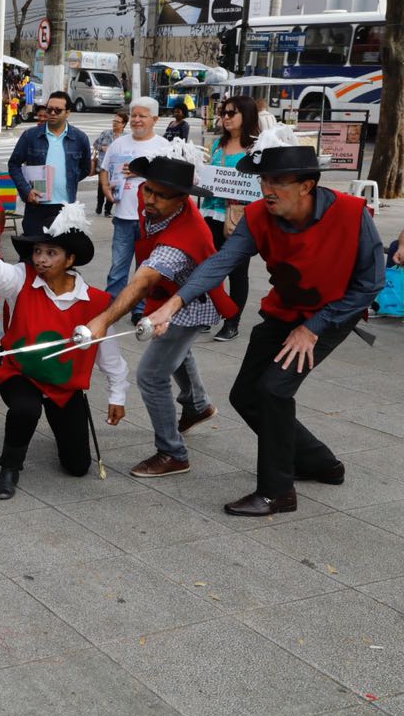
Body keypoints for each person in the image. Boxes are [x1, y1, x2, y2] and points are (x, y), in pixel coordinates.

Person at [145, 128, 385, 516]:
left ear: (307, 185)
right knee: (244, 395)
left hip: (331, 315)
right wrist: (174, 303)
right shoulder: (258, 216)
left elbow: (369, 284)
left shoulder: (351, 213)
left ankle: (277, 492)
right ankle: (321, 463)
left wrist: (313, 328)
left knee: (274, 390)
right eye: (263, 180)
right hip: (283, 311)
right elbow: (221, 263)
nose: (267, 189)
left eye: (278, 181)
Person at [0, 204, 127, 500]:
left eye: (51, 253)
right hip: (21, 372)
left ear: (70, 259)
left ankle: (63, 433)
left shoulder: (96, 303)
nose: (41, 260)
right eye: (38, 252)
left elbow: (109, 356)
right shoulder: (22, 279)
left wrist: (117, 395)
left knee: (78, 467)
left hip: (65, 386)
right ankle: (9, 467)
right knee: (25, 409)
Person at [80, 155, 237, 479]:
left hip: (190, 302)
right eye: (148, 189)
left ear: (183, 198)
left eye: (161, 195)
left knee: (151, 375)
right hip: (166, 292)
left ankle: (172, 452)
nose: (149, 198)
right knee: (177, 352)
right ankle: (197, 405)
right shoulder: (150, 199)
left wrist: (103, 320)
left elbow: (142, 282)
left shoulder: (183, 238)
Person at [99, 97, 169, 314]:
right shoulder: (118, 143)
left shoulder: (164, 147)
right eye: (134, 116)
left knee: (145, 269)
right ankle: (112, 307)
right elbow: (104, 168)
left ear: (155, 119)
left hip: (151, 220)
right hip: (123, 217)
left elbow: (170, 182)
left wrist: (143, 172)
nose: (137, 120)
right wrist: (105, 188)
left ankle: (140, 309)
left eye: (143, 116)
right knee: (118, 268)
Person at [200, 95, 260, 341]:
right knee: (207, 268)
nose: (225, 118)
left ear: (245, 115)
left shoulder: (256, 148)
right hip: (210, 213)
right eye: (223, 113)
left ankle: (232, 322)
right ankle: (207, 315)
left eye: (231, 113)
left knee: (237, 272)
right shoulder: (217, 145)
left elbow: (260, 184)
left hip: (239, 218)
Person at [7, 91, 91, 235]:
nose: (52, 113)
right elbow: (14, 164)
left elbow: (85, 169)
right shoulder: (30, 135)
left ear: (67, 113)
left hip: (65, 208)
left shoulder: (80, 138)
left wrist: (67, 179)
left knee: (60, 253)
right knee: (33, 251)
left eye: (57, 110)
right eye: (49, 109)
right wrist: (26, 190)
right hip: (36, 206)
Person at [93, 111, 127, 216]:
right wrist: (102, 148)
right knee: (101, 187)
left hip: (117, 167)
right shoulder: (105, 133)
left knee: (112, 187)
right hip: (103, 165)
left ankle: (107, 210)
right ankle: (99, 206)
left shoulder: (126, 137)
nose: (115, 123)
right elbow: (95, 144)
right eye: (114, 121)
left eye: (118, 121)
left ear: (123, 124)